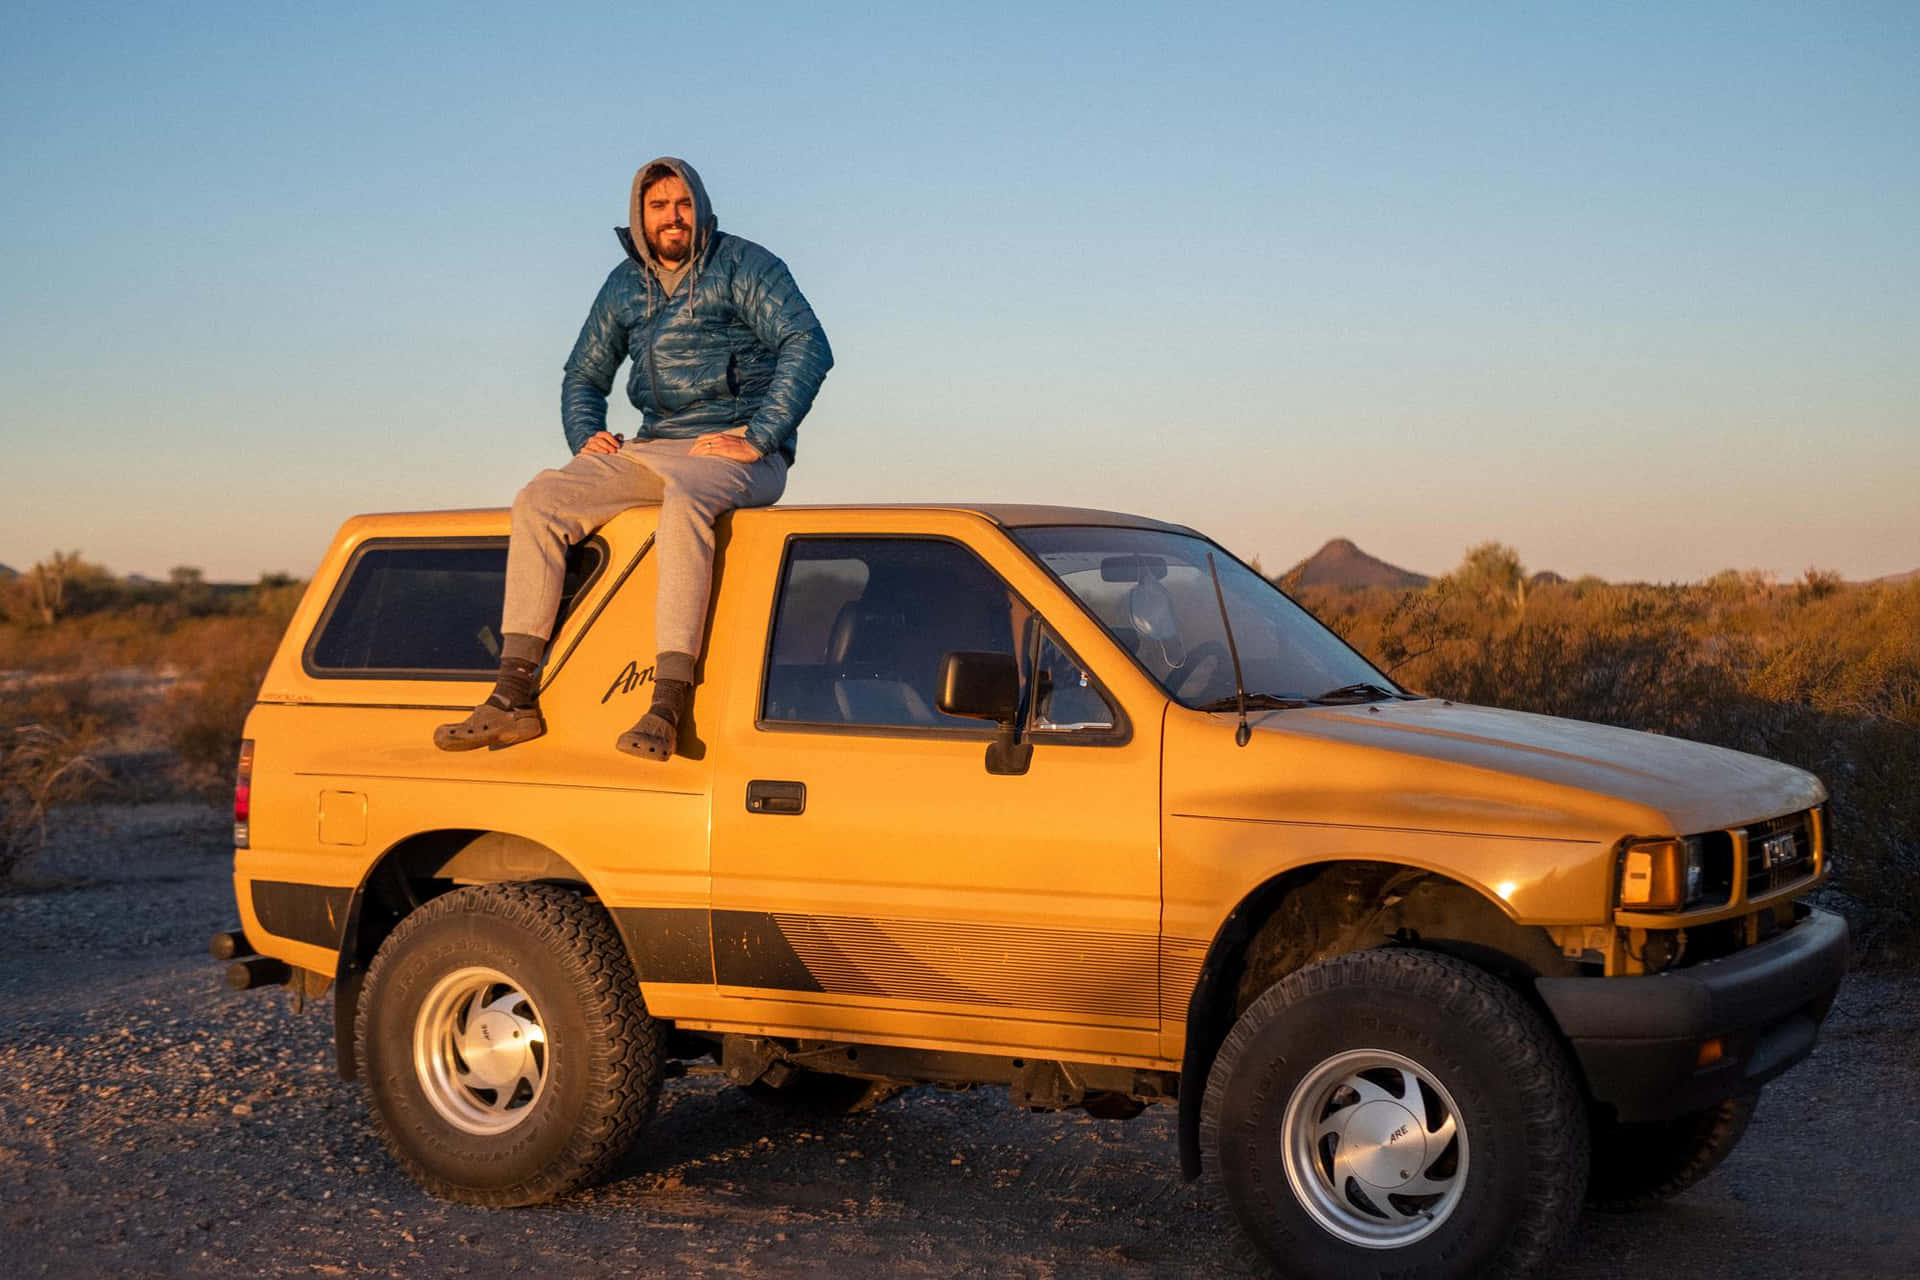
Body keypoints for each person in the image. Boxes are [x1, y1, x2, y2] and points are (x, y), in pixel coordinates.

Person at [434, 156, 832, 759]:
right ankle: (514, 696)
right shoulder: (625, 284)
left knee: (686, 500)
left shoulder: (746, 264)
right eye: (658, 207)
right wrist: (585, 434)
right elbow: (582, 373)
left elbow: (808, 344)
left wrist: (759, 435)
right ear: (639, 216)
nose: (672, 217)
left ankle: (667, 703)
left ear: (699, 205)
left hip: (733, 449)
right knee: (541, 500)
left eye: (683, 204)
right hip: (654, 444)